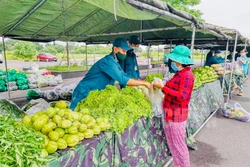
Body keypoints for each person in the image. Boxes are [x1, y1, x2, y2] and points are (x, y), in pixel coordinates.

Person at [70, 38, 151, 110]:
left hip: (94, 94)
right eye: (123, 51)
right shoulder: (108, 62)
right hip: (84, 92)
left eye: (126, 51)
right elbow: (123, 79)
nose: (125, 54)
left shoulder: (115, 62)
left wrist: (138, 81)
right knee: (74, 117)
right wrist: (144, 83)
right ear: (115, 49)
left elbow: (124, 75)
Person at [153, 45, 194, 167]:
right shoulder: (179, 74)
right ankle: (177, 164)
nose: (172, 62)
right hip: (170, 114)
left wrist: (163, 88)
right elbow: (173, 88)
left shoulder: (187, 76)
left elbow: (182, 96)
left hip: (177, 116)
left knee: (179, 146)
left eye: (174, 60)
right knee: (172, 144)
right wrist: (163, 84)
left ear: (179, 61)